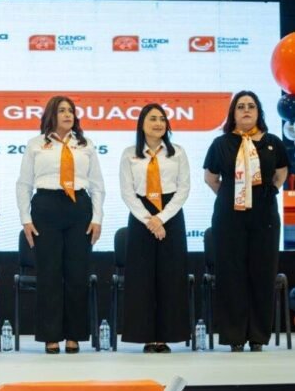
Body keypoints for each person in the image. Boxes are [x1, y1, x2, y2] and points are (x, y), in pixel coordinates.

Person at [15, 95, 104, 354]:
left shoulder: (85, 144)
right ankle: (50, 335)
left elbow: (97, 185)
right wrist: (25, 219)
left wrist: (97, 217)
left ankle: (74, 335)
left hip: (79, 208)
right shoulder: (35, 144)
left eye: (71, 111)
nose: (68, 115)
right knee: (49, 274)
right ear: (51, 115)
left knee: (77, 273)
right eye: (62, 110)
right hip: (46, 207)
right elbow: (24, 184)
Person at [204, 90, 288, 352]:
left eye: (251, 106)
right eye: (240, 106)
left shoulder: (273, 142)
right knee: (232, 273)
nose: (246, 110)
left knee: (262, 273)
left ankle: (258, 336)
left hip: (264, 216)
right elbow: (211, 178)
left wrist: (265, 194)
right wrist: (234, 195)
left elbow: (281, 173)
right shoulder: (220, 144)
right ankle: (234, 336)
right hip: (230, 216)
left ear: (258, 111)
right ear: (233, 113)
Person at [119, 103, 190, 353]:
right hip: (141, 217)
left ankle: (166, 336)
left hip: (171, 214)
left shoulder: (177, 152)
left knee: (171, 277)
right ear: (142, 124)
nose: (158, 123)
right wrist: (149, 219)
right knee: (142, 279)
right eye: (152, 119)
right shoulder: (129, 154)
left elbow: (183, 189)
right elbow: (127, 192)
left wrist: (162, 218)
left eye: (162, 119)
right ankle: (147, 337)